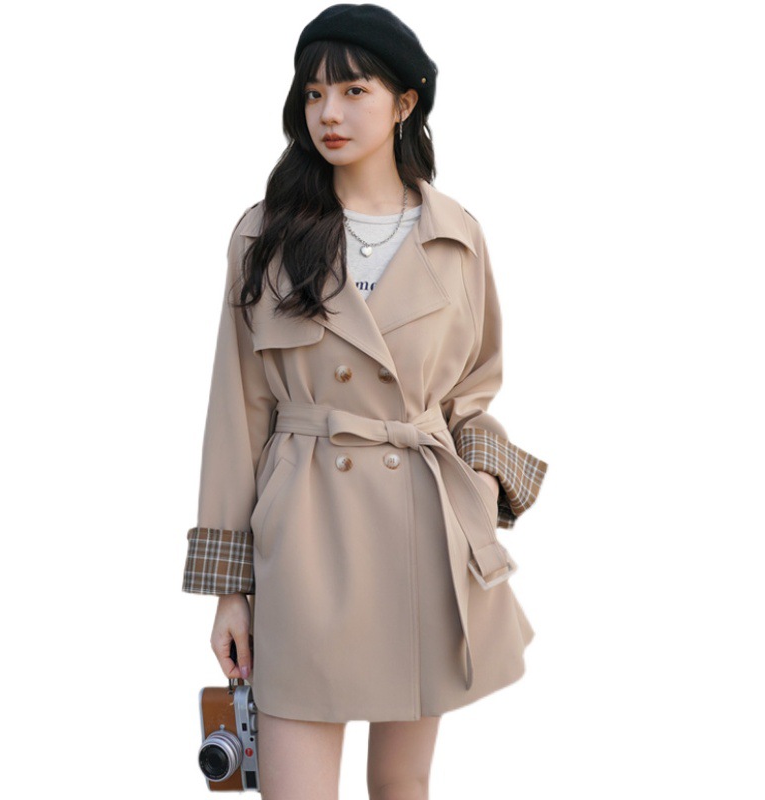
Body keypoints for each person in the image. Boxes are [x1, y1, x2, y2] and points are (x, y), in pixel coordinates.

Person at [181, 4, 548, 798]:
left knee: (402, 786)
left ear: (405, 102)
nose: (330, 114)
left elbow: (474, 389)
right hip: (305, 539)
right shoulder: (265, 236)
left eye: (353, 91)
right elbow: (236, 413)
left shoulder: (458, 236)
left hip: (422, 533)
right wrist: (228, 590)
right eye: (314, 94)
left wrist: (482, 486)